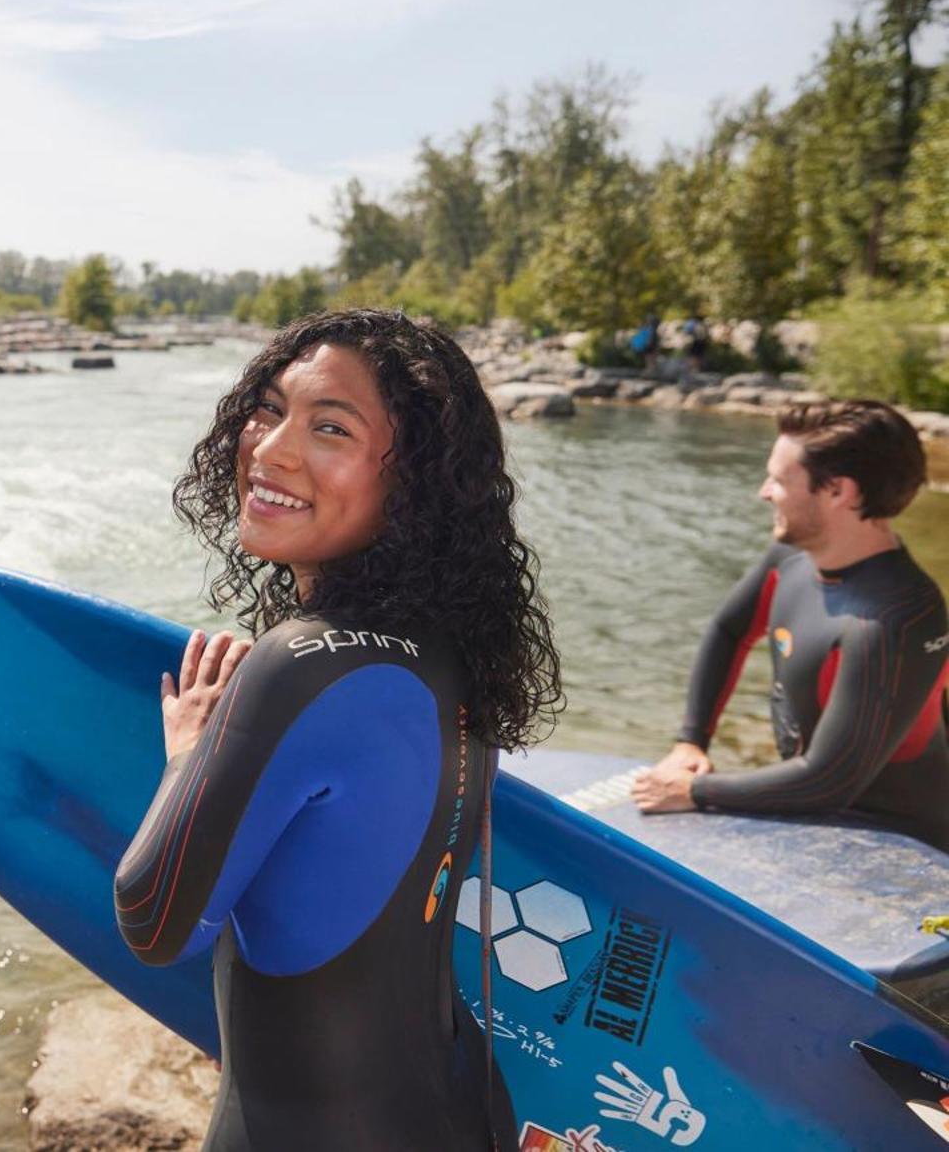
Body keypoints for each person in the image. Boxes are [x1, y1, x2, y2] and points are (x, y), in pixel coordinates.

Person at [114, 309, 563, 1150]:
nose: (271, 448)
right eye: (269, 407)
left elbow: (155, 919)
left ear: (414, 484)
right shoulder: (451, 651)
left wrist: (187, 755)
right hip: (459, 1110)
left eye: (329, 427)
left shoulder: (304, 663)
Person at [633, 402, 949, 851]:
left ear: (838, 491)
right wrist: (692, 741)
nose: (764, 492)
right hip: (810, 814)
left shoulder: (896, 616)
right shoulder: (793, 557)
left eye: (780, 480)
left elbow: (829, 779)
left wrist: (694, 791)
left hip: (901, 842)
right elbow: (728, 632)